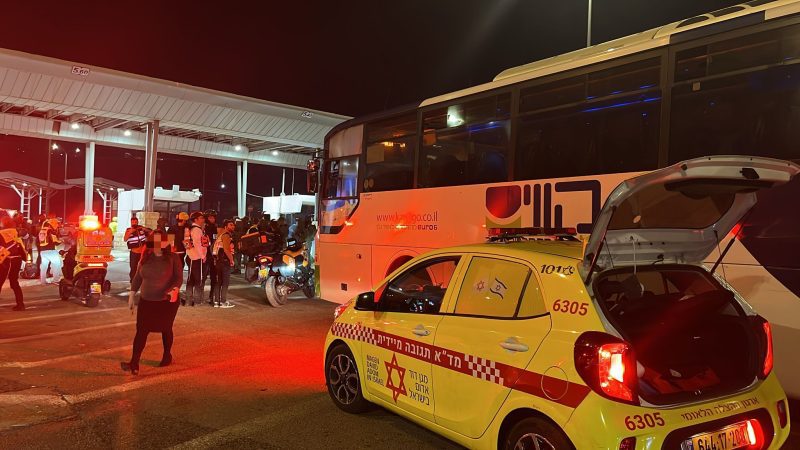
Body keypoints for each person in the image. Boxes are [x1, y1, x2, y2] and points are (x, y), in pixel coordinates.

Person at [121, 230, 183, 375]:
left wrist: (174, 289)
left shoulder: (173, 257)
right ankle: (134, 363)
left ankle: (167, 355)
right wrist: (131, 295)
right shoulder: (146, 257)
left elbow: (178, 278)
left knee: (166, 328)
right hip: (146, 300)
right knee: (141, 331)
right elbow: (138, 277)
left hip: (166, 301)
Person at [0, 216, 27, 311]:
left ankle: (20, 305)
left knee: (0, 281)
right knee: (14, 282)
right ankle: (20, 304)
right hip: (17, 259)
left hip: (7, 260)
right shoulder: (16, 232)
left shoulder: (1, 233)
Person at [183, 211, 209, 307]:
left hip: (191, 256)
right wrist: (203, 256)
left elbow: (187, 244)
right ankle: (197, 301)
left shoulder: (189, 229)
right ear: (196, 219)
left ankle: (188, 301)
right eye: (201, 218)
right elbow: (197, 244)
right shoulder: (197, 230)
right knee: (198, 280)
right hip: (197, 258)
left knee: (190, 280)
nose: (203, 219)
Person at [211, 219, 236, 308]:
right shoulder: (226, 235)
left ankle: (216, 302)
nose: (233, 226)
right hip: (224, 261)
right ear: (225, 226)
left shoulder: (220, 235)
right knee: (225, 282)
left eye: (233, 225)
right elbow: (226, 250)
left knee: (219, 282)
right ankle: (223, 302)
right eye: (230, 225)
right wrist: (231, 260)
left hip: (218, 261)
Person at [37, 217, 62, 285]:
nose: (57, 225)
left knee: (44, 266)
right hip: (50, 251)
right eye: (56, 224)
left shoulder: (42, 230)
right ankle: (56, 280)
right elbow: (55, 241)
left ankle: (43, 281)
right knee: (57, 264)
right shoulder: (50, 230)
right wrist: (61, 241)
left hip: (43, 251)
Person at [123, 216, 148, 282]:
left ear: (137, 222)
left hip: (142, 253)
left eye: (135, 222)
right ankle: (133, 281)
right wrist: (130, 232)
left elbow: (149, 232)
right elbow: (125, 239)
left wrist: (144, 229)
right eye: (133, 222)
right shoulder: (128, 230)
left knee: (142, 267)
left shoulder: (141, 228)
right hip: (134, 253)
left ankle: (142, 280)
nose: (134, 223)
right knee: (133, 267)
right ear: (131, 223)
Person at [203, 210, 219, 306]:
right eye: (211, 217)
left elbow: (216, 240)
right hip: (205, 255)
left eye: (213, 217)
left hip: (213, 255)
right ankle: (199, 297)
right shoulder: (203, 228)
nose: (213, 219)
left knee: (214, 278)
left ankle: (211, 297)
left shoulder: (215, 227)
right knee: (203, 277)